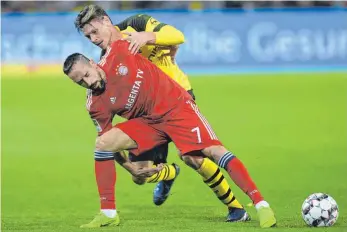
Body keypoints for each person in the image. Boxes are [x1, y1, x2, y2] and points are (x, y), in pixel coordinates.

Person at [63, 39, 276, 228]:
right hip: (149, 123)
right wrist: (129, 168)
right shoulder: (95, 104)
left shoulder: (119, 52)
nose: (89, 83)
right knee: (103, 144)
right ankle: (108, 213)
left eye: (87, 75)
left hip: (175, 107)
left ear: (93, 62)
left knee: (207, 153)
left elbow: (173, 37)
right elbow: (109, 142)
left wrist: (148, 37)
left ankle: (260, 204)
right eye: (80, 82)